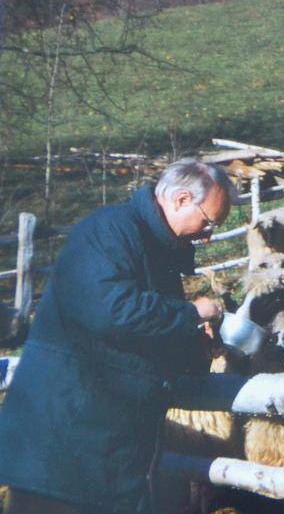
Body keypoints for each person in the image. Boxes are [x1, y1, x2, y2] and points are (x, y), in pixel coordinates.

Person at [0, 159, 235, 513]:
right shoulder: (108, 231)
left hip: (109, 454)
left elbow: (149, 335)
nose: (208, 236)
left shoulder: (157, 251)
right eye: (208, 222)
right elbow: (111, 310)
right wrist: (191, 313)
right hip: (60, 451)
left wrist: (198, 345)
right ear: (182, 199)